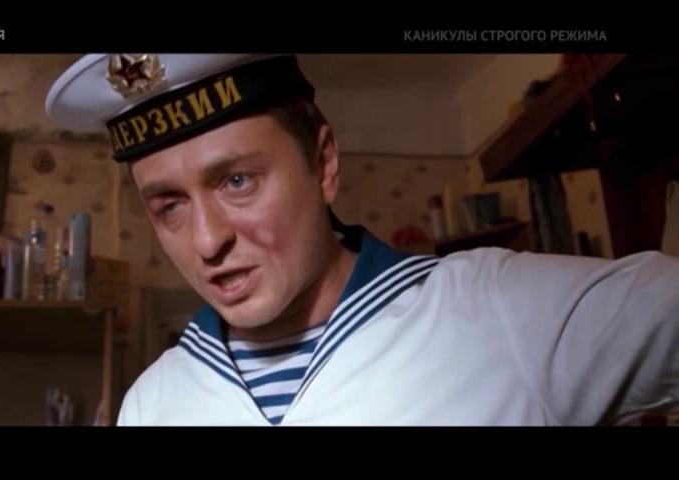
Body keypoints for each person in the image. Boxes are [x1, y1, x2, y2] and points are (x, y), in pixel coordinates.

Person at [46, 53, 679, 426]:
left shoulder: (499, 312)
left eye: (237, 181)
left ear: (323, 163)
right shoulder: (152, 404)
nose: (208, 241)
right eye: (169, 205)